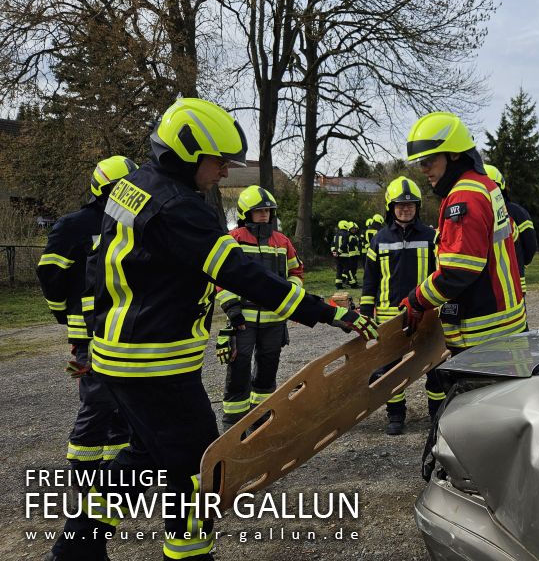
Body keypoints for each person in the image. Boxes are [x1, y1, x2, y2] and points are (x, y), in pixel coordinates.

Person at [46, 98, 377, 561]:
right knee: (201, 471)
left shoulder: (133, 186)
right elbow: (241, 274)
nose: (224, 171)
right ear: (185, 153)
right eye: (218, 160)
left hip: (119, 358)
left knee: (142, 459)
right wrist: (325, 311)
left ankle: (76, 548)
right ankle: (188, 554)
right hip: (155, 366)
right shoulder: (180, 208)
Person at [37, 156, 136, 473]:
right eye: (119, 188)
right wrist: (64, 314)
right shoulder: (75, 225)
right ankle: (83, 466)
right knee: (97, 399)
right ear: (103, 189)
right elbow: (50, 274)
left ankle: (115, 460)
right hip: (90, 331)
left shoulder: (132, 224)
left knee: (124, 399)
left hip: (127, 327)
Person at [400, 112, 526, 354]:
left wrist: (416, 300)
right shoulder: (485, 185)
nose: (423, 169)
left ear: (455, 153)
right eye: (420, 163)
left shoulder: (465, 195)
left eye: (428, 160)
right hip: (504, 327)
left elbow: (458, 272)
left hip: (483, 335)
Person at [215, 185, 304, 429]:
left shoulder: (282, 241)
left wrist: (291, 294)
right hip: (242, 319)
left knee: (268, 367)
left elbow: (296, 272)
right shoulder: (234, 240)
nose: (264, 214)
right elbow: (221, 277)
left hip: (273, 320)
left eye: (267, 210)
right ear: (246, 213)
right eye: (259, 211)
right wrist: (232, 308)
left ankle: (262, 417)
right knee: (239, 367)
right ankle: (233, 423)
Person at [360, 177, 440, 434]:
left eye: (410, 205)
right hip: (389, 317)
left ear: (417, 207)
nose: (405, 209)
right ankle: (396, 416)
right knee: (391, 371)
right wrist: (364, 313)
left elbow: (442, 275)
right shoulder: (379, 240)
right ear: (390, 207)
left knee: (434, 366)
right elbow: (370, 281)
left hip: (426, 314)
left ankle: (437, 414)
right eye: (400, 205)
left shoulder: (431, 236)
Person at [484, 164, 537, 294]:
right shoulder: (518, 212)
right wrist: (519, 263)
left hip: (485, 288)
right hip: (514, 282)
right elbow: (530, 245)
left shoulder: (476, 213)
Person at [331, 220, 352, 288]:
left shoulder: (336, 235)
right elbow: (344, 244)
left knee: (339, 270)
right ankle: (352, 283)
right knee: (348, 269)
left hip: (337, 256)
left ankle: (338, 284)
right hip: (344, 255)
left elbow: (332, 244)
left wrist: (334, 252)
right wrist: (339, 252)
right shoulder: (346, 234)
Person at [345, 221, 362, 287]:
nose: (354, 230)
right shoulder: (349, 236)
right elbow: (354, 242)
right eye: (352, 229)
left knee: (354, 269)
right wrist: (358, 241)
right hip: (351, 255)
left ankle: (350, 280)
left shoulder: (354, 236)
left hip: (355, 255)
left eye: (355, 229)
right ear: (349, 229)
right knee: (352, 269)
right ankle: (351, 281)